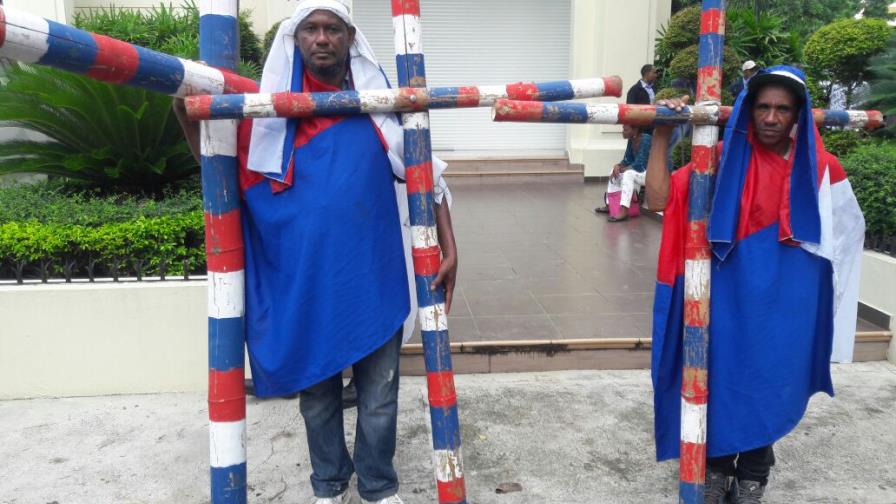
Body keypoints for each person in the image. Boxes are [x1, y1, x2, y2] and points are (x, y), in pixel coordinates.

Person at [173, 2, 458, 503]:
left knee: (380, 397)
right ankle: (328, 485)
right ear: (295, 39)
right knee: (318, 399)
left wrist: (449, 245)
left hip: (372, 276)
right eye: (311, 29)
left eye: (332, 29)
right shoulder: (265, 117)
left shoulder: (379, 108)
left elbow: (425, 174)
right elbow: (217, 166)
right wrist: (184, 110)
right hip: (303, 284)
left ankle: (377, 486)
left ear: (349, 38)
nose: (321, 38)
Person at [646, 66, 865, 503]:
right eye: (762, 106)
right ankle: (717, 469)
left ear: (797, 115)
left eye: (782, 109)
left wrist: (829, 321)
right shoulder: (719, 159)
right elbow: (656, 200)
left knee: (770, 381)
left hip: (785, 307)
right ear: (747, 108)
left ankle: (754, 474)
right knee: (721, 377)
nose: (770, 117)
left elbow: (844, 246)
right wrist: (660, 136)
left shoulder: (823, 169)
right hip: (724, 299)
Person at [594, 124, 652, 222]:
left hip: (650, 173)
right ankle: (610, 205)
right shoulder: (631, 140)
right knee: (613, 171)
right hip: (639, 172)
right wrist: (618, 166)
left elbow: (640, 164)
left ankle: (624, 210)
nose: (622, 132)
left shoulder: (646, 139)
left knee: (628, 174)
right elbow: (627, 160)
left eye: (625, 130)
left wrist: (623, 169)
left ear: (635, 129)